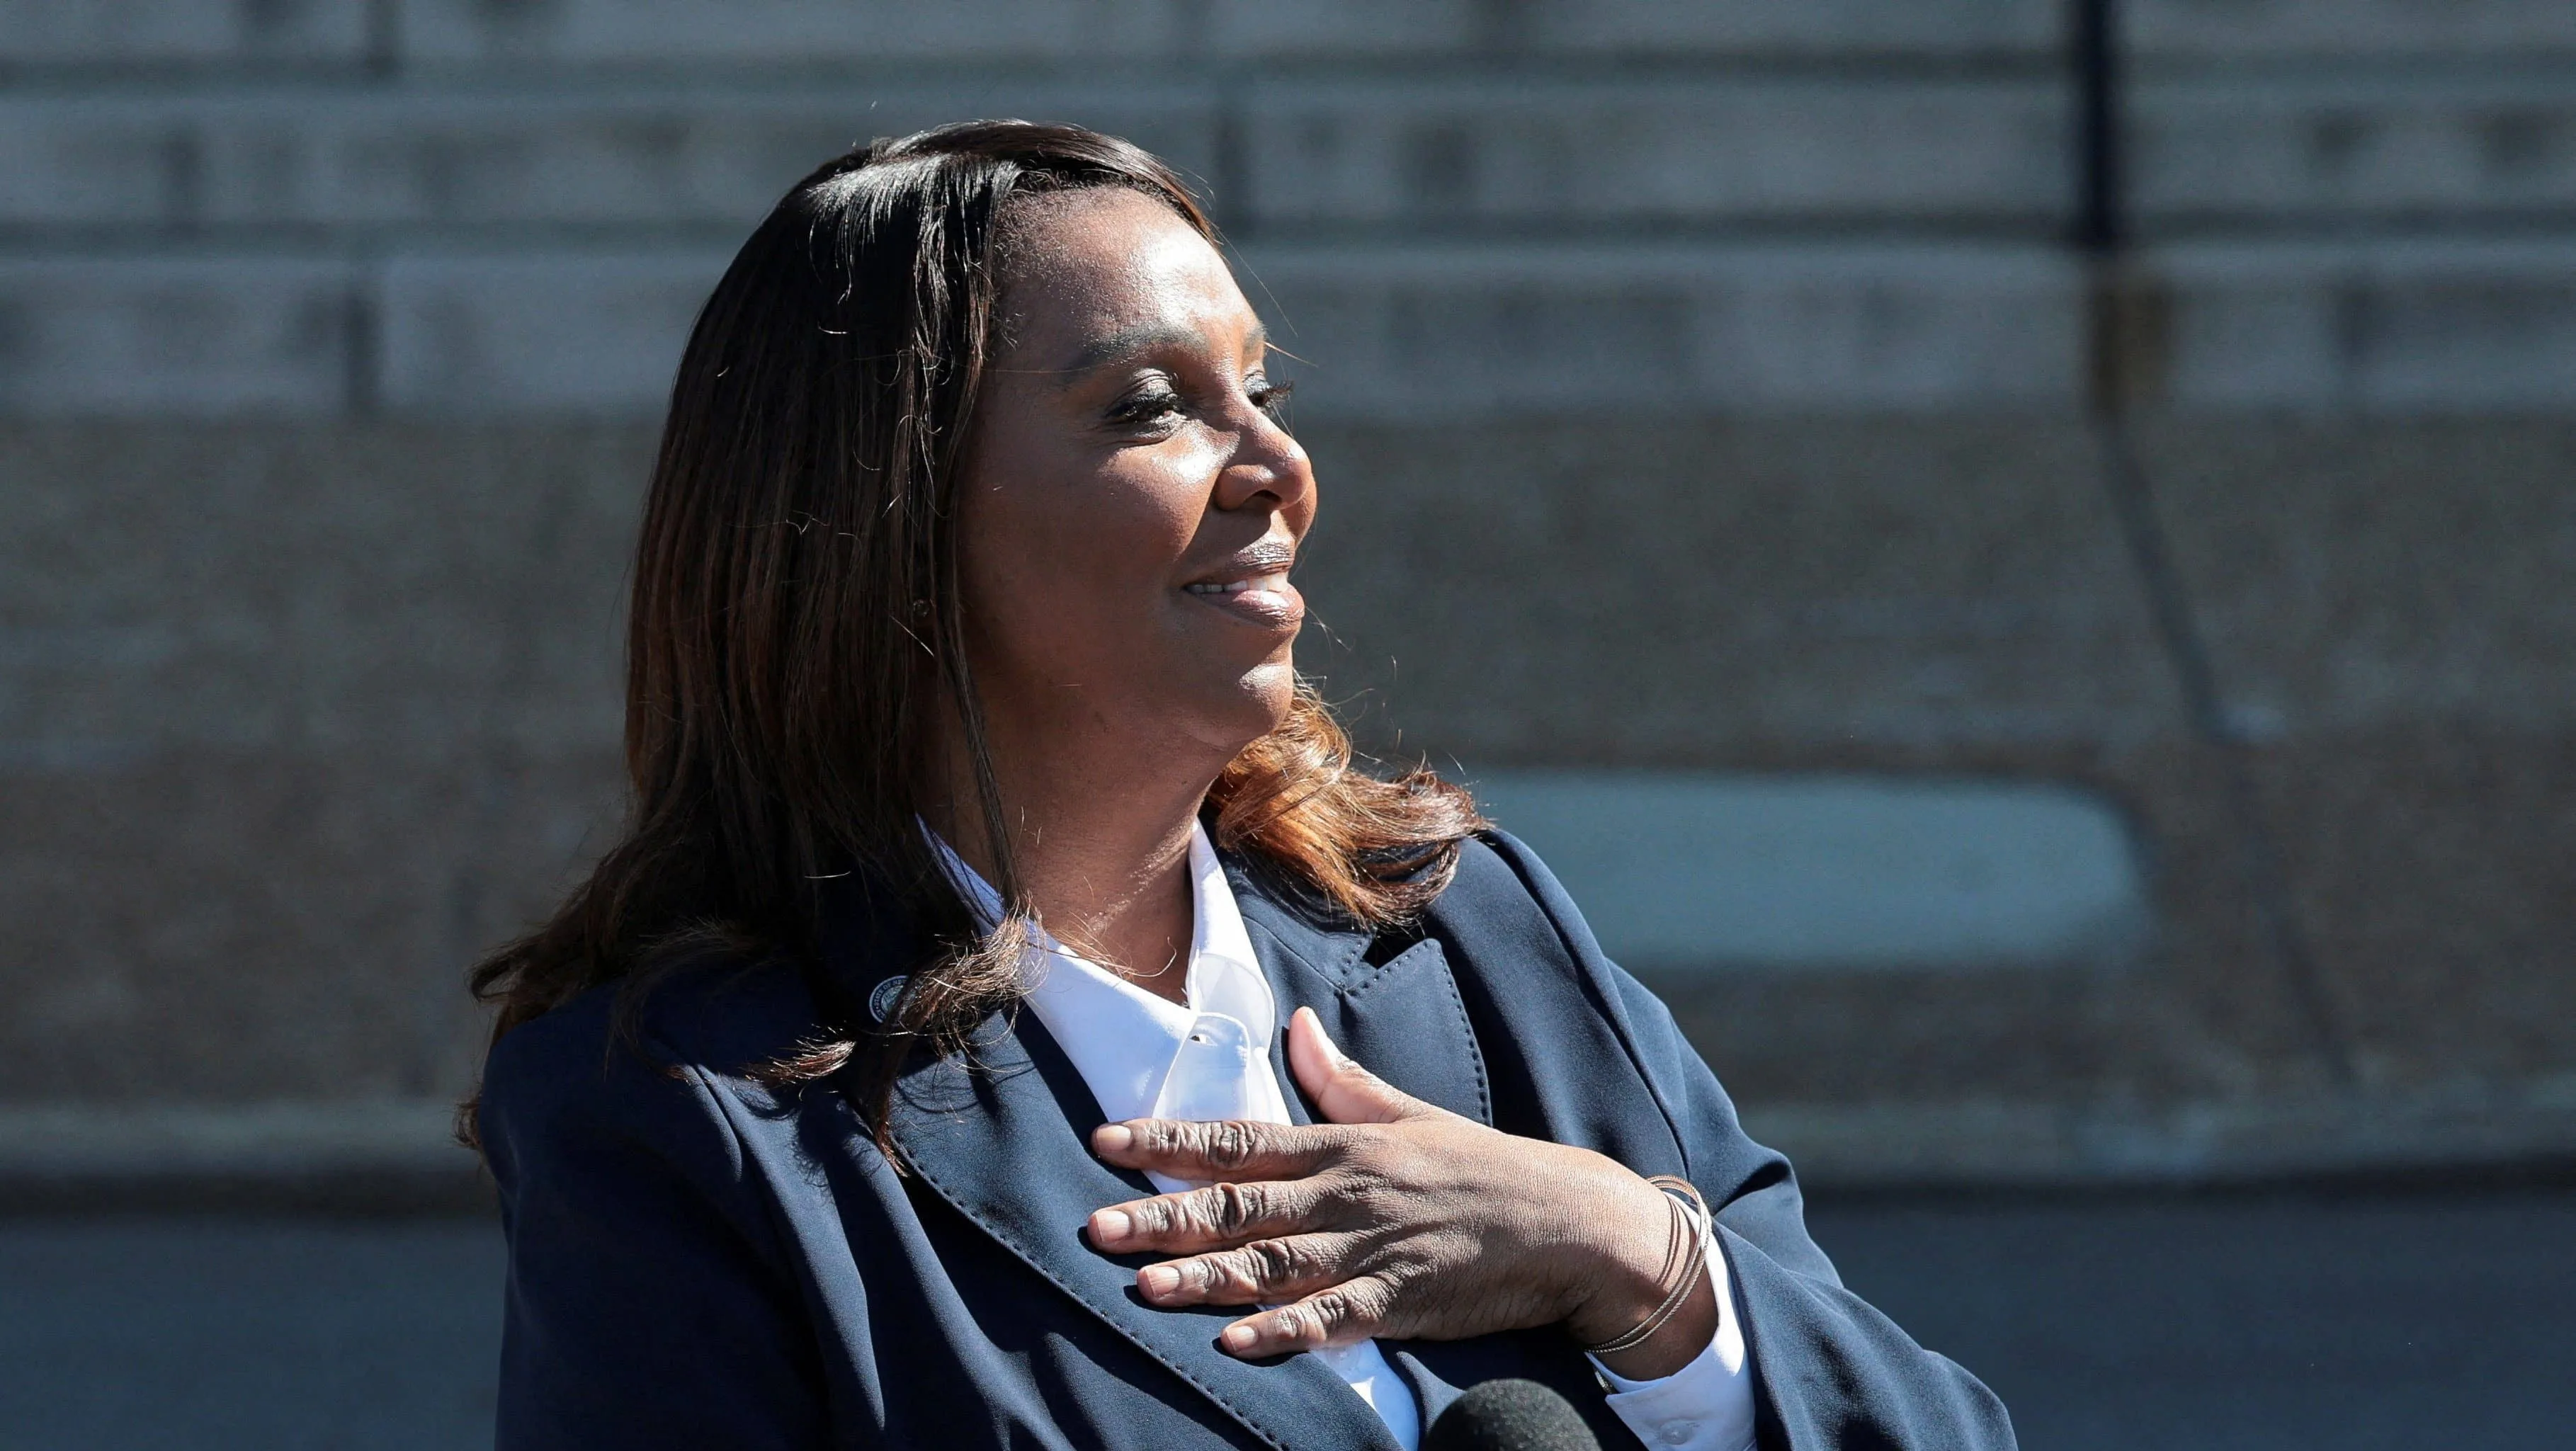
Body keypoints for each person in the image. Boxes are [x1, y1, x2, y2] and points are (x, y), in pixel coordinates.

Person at [466, 120, 2014, 1451]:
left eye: (1261, 389)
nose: (1274, 463)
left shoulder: (1472, 935)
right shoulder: (687, 1113)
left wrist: (1634, 1258)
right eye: (1150, 404)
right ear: (890, 517)